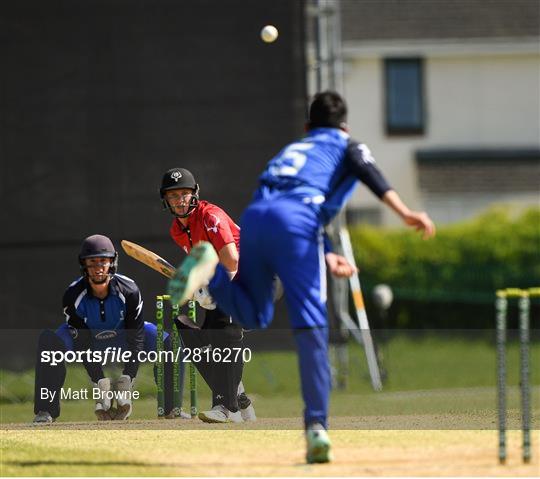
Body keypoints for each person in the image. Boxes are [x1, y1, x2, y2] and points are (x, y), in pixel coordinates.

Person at [167, 91, 436, 463]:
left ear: (307, 127)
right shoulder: (344, 143)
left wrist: (326, 252)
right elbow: (366, 172)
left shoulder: (290, 153)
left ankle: (210, 279)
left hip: (258, 219)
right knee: (311, 327)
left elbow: (288, 203)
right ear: (344, 126)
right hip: (296, 225)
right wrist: (405, 212)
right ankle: (316, 428)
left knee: (253, 315)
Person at [33, 234, 189, 423]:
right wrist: (99, 380)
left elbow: (137, 337)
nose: (98, 268)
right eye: (92, 262)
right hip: (87, 339)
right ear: (84, 264)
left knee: (169, 341)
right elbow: (82, 342)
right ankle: (45, 411)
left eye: (103, 261)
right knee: (49, 342)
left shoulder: (129, 290)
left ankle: (172, 408)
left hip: (124, 336)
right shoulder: (73, 294)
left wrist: (128, 378)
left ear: (112, 262)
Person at [160, 167, 256, 423]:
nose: (180, 199)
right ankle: (237, 396)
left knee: (227, 332)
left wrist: (210, 291)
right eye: (173, 195)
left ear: (194, 195)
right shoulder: (177, 230)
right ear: (165, 200)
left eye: (184, 193)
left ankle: (228, 408)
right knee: (188, 329)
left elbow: (232, 260)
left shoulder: (210, 216)